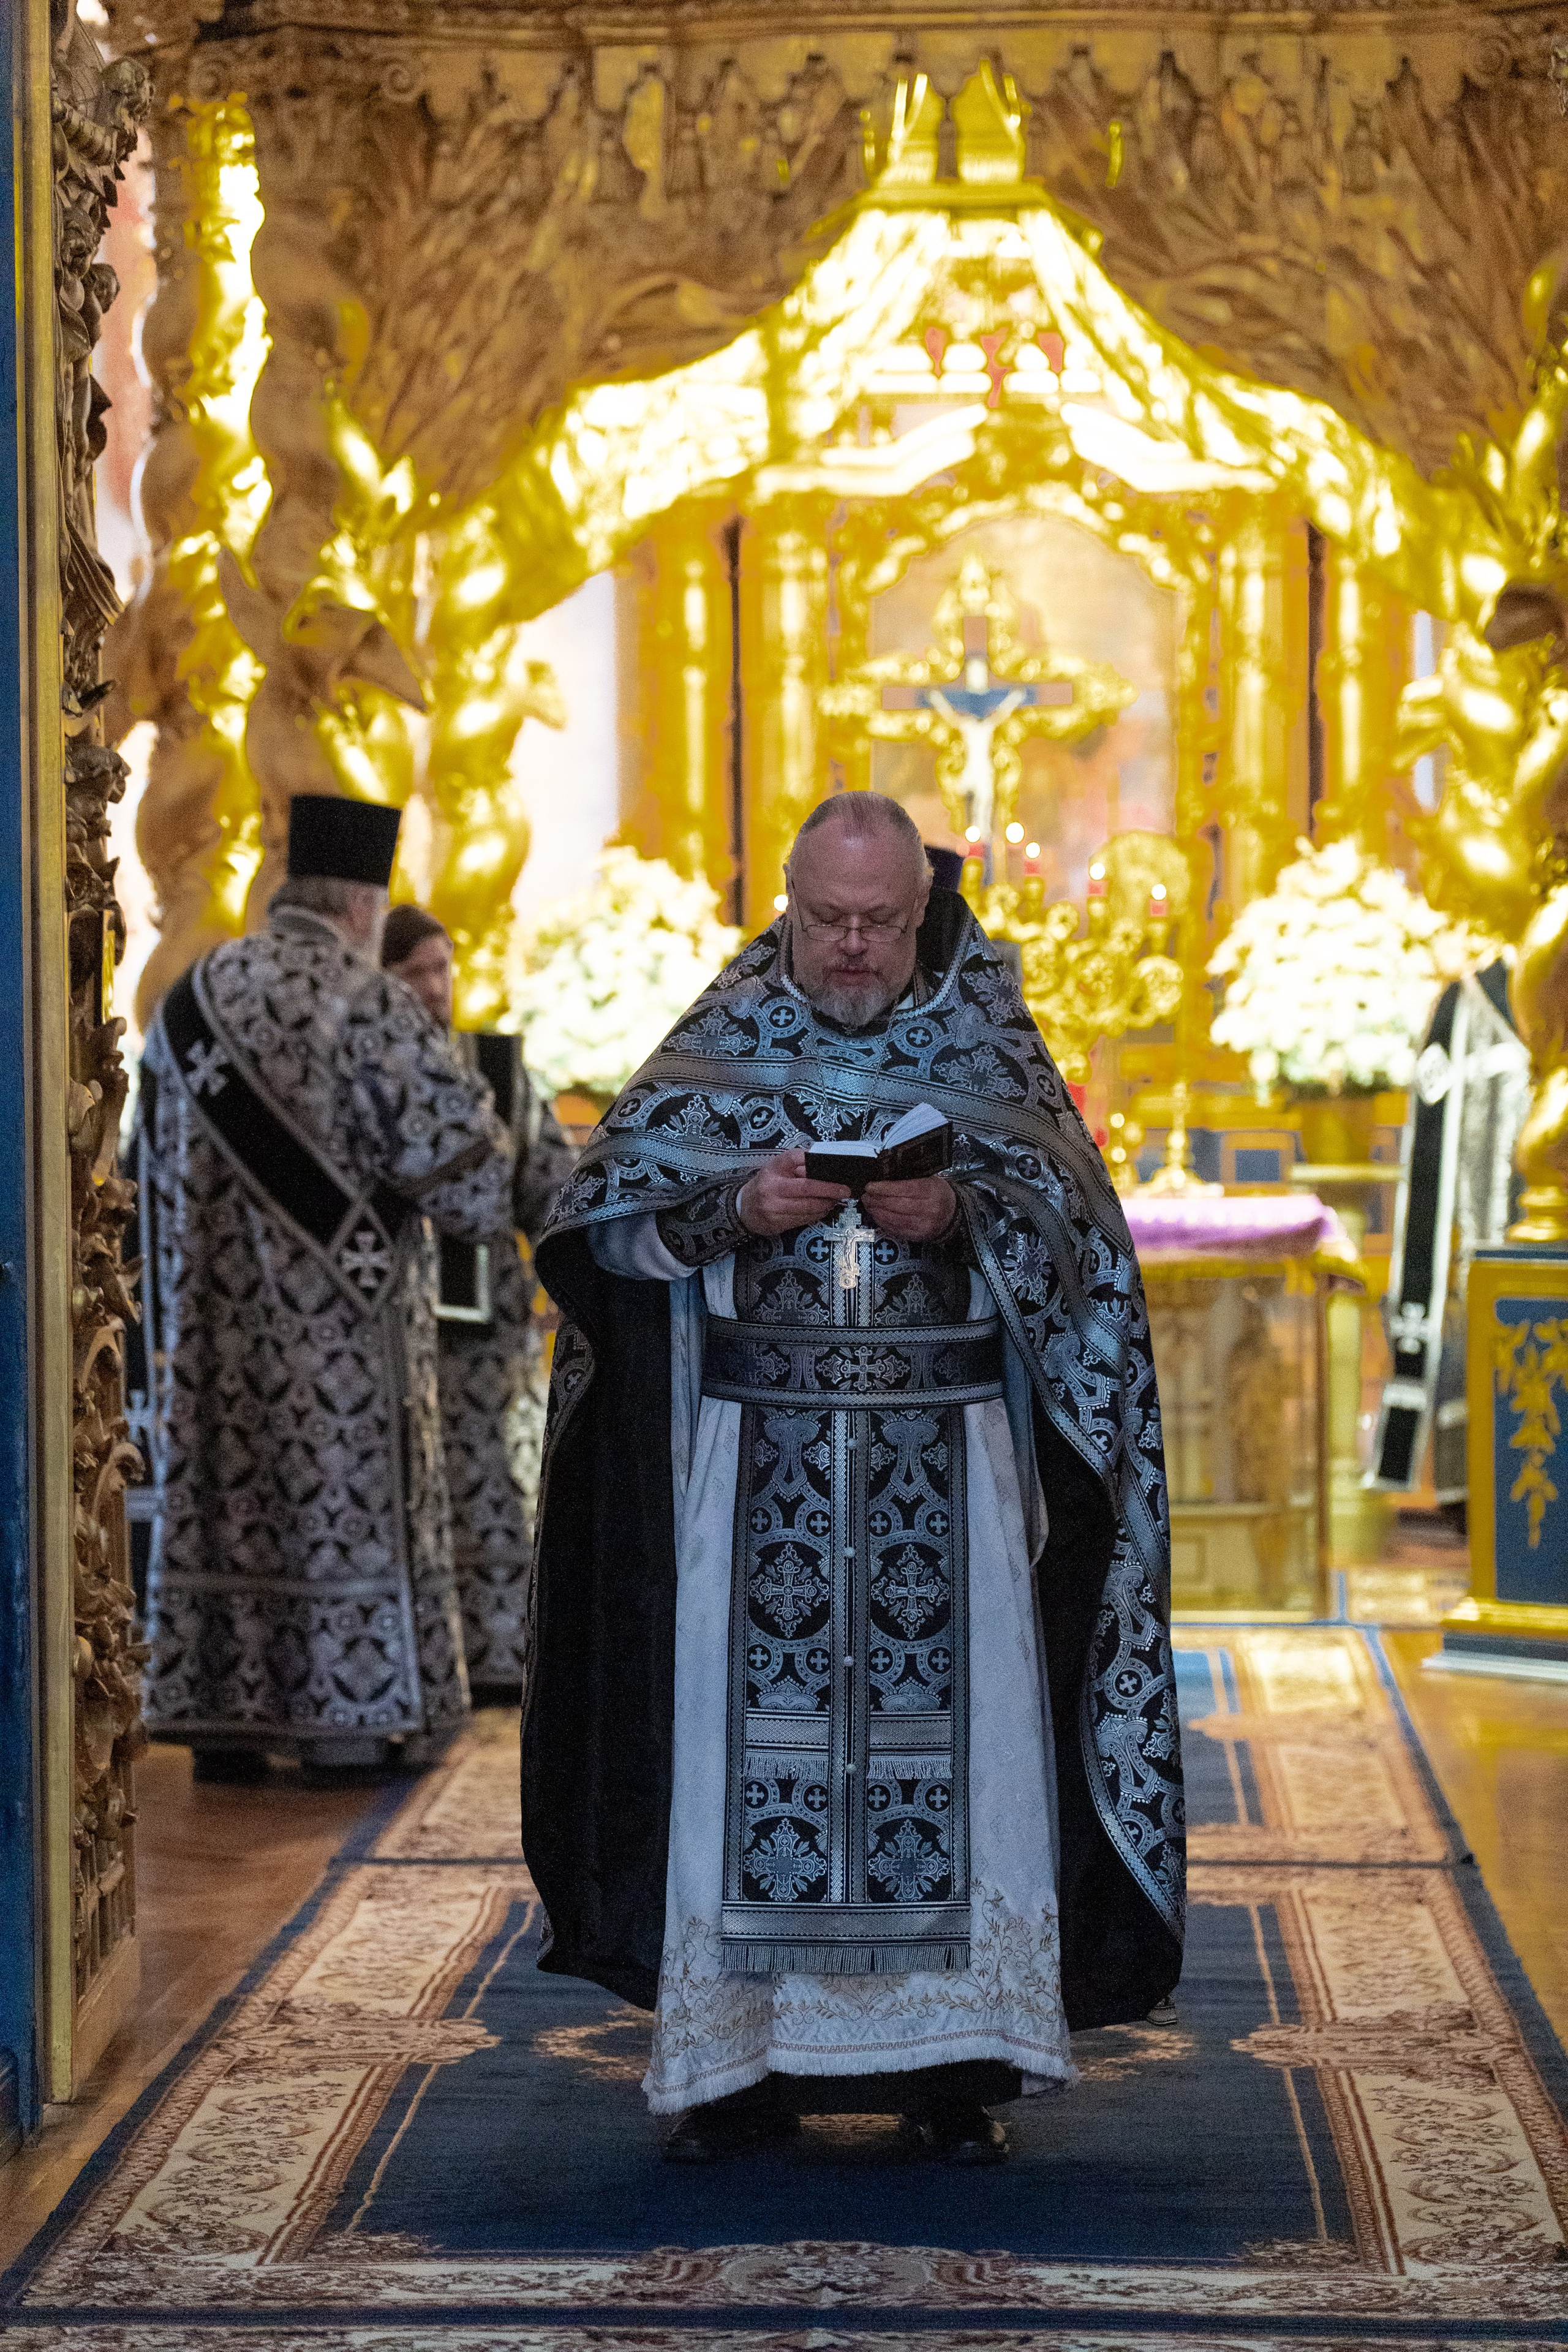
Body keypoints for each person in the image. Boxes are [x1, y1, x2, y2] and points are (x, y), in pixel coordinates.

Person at [524, 791, 1182, 2165]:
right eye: (826, 919)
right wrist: (728, 1210)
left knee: (961, 1769)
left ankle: (953, 2065)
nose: (851, 948)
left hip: (947, 1479)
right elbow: (597, 1243)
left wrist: (963, 1218)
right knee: (739, 1766)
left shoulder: (984, 1047)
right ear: (787, 903)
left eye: (879, 923)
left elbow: (1083, 1264)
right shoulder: (718, 1045)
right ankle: (742, 2068)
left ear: (919, 910)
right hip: (750, 1477)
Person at [139, 794, 514, 1782]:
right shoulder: (368, 1001)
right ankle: (348, 1721)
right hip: (340, 1341)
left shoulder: (187, 1001)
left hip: (206, 1337)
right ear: (362, 905)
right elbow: (472, 1184)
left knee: (230, 1501)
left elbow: (137, 1167)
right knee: (331, 1505)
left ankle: (223, 1717)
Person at [380, 906, 578, 1694]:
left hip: (486, 1330)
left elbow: (551, 1186)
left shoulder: (492, 1068)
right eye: (415, 973)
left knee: (497, 1481)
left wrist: (578, 1268)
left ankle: (499, 1660)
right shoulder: (369, 1064)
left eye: (443, 968)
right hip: (393, 1327)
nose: (435, 989)